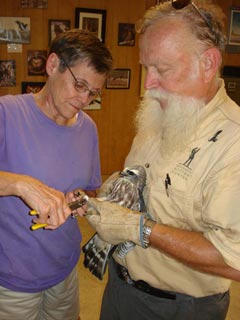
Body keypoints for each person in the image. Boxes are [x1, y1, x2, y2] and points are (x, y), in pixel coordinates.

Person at [85, 1, 240, 319]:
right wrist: (120, 186)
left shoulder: (234, 142)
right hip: (120, 285)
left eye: (162, 69)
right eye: (146, 67)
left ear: (207, 63)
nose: (148, 84)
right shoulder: (163, 111)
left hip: (179, 307)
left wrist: (138, 228)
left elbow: (233, 259)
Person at [0, 29, 112, 320]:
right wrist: (21, 184)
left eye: (94, 92)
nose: (85, 98)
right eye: (80, 85)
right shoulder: (7, 113)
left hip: (64, 270)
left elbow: (88, 190)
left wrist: (78, 200)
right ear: (52, 66)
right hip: (12, 279)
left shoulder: (88, 128)